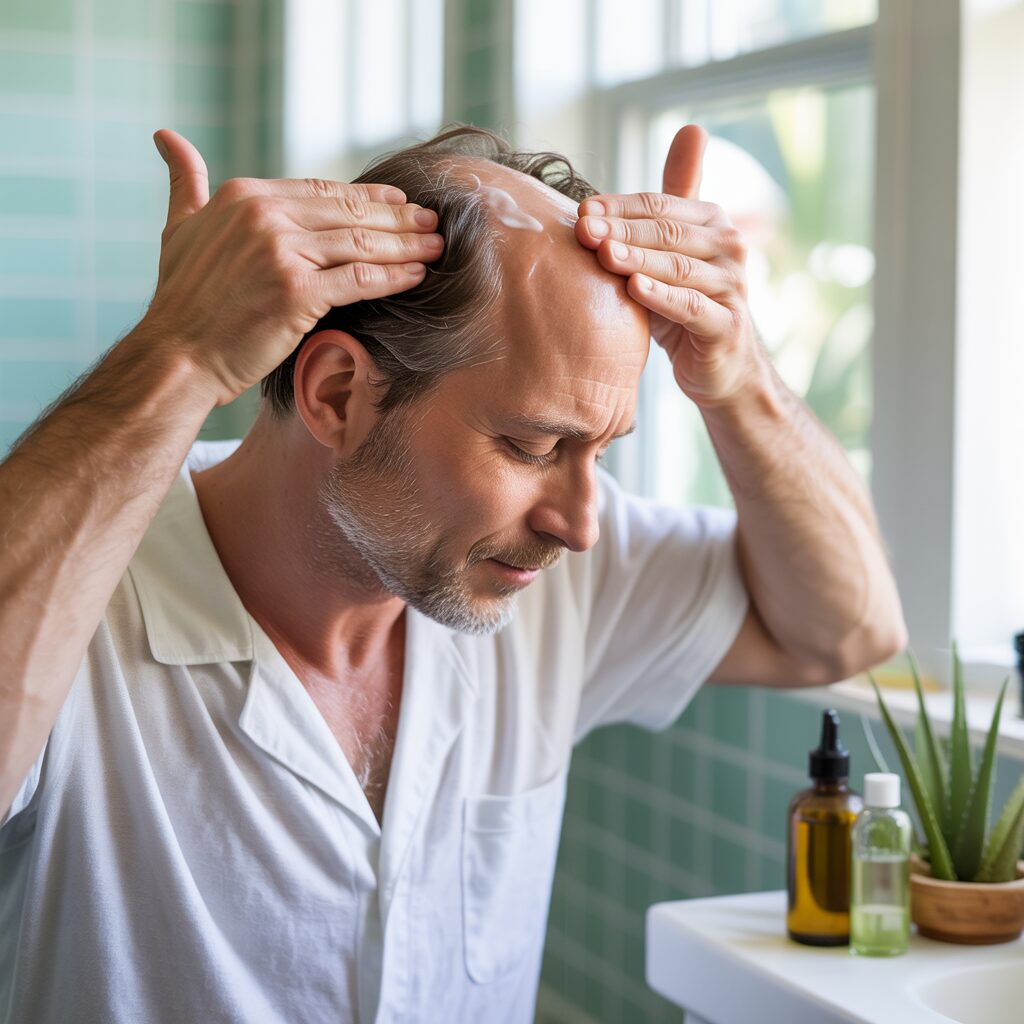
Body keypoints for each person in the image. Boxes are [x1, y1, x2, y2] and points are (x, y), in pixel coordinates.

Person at [0, 123, 905, 1023]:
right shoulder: (75, 590)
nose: (580, 523)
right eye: (532, 445)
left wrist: (740, 380)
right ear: (337, 395)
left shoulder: (540, 571)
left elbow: (846, 631)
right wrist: (176, 355)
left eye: (599, 450)